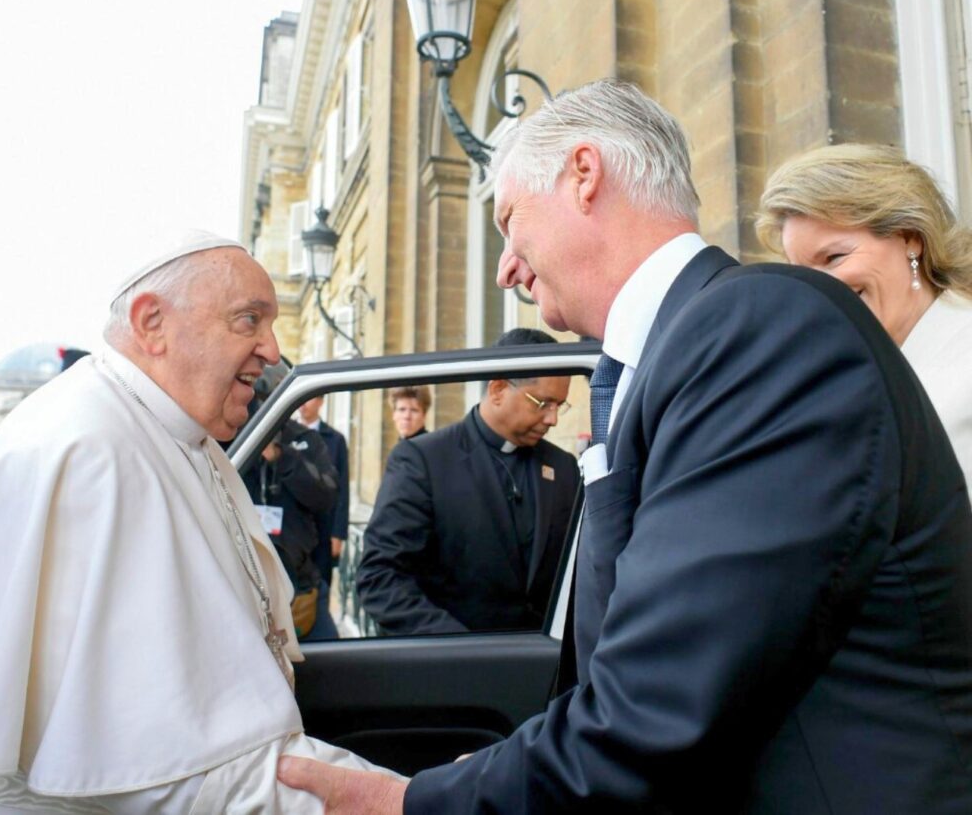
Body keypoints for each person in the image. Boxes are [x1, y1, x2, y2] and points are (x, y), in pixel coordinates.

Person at [280, 80, 972, 813]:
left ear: (585, 174)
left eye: (510, 220)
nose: (503, 268)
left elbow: (657, 703)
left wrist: (415, 800)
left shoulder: (757, 330)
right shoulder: (677, 354)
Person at [0, 230, 392, 812]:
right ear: (151, 322)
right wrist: (409, 801)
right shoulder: (94, 449)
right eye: (248, 320)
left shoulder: (176, 434)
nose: (272, 349)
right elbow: (180, 769)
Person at [756, 143, 972, 486]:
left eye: (834, 258)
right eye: (804, 272)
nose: (818, 289)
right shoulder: (833, 380)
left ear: (910, 238)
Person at [357, 328, 579, 635]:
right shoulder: (423, 460)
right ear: (498, 389)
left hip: (545, 666)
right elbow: (380, 578)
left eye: (559, 405)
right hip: (456, 667)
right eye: (543, 404)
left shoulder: (562, 467)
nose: (553, 419)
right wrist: (459, 645)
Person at [245, 419, 341, 641]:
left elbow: (326, 497)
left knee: (332, 664)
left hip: (300, 582)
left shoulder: (305, 439)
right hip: (246, 583)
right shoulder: (230, 435)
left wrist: (282, 457)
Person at [297, 394, 349, 627]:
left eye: (309, 399)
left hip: (324, 528)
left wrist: (339, 533)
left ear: (320, 401)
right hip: (295, 527)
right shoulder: (285, 435)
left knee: (322, 586)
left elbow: (343, 488)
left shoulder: (335, 440)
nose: (304, 405)